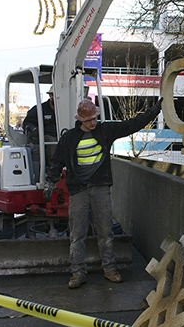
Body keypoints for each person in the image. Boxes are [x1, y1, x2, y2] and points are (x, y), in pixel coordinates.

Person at [44, 97, 162, 289]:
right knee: (77, 234)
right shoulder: (69, 138)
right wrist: (50, 182)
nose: (92, 123)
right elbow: (57, 162)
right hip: (78, 190)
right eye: (89, 120)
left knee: (106, 232)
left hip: (100, 188)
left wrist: (154, 111)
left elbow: (131, 125)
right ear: (80, 120)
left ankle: (109, 269)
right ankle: (77, 273)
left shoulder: (105, 131)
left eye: (94, 119)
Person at [23, 86, 58, 162]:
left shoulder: (67, 108)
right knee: (52, 143)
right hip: (46, 136)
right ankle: (53, 166)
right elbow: (28, 122)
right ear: (51, 96)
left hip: (62, 134)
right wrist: (34, 129)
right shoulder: (40, 109)